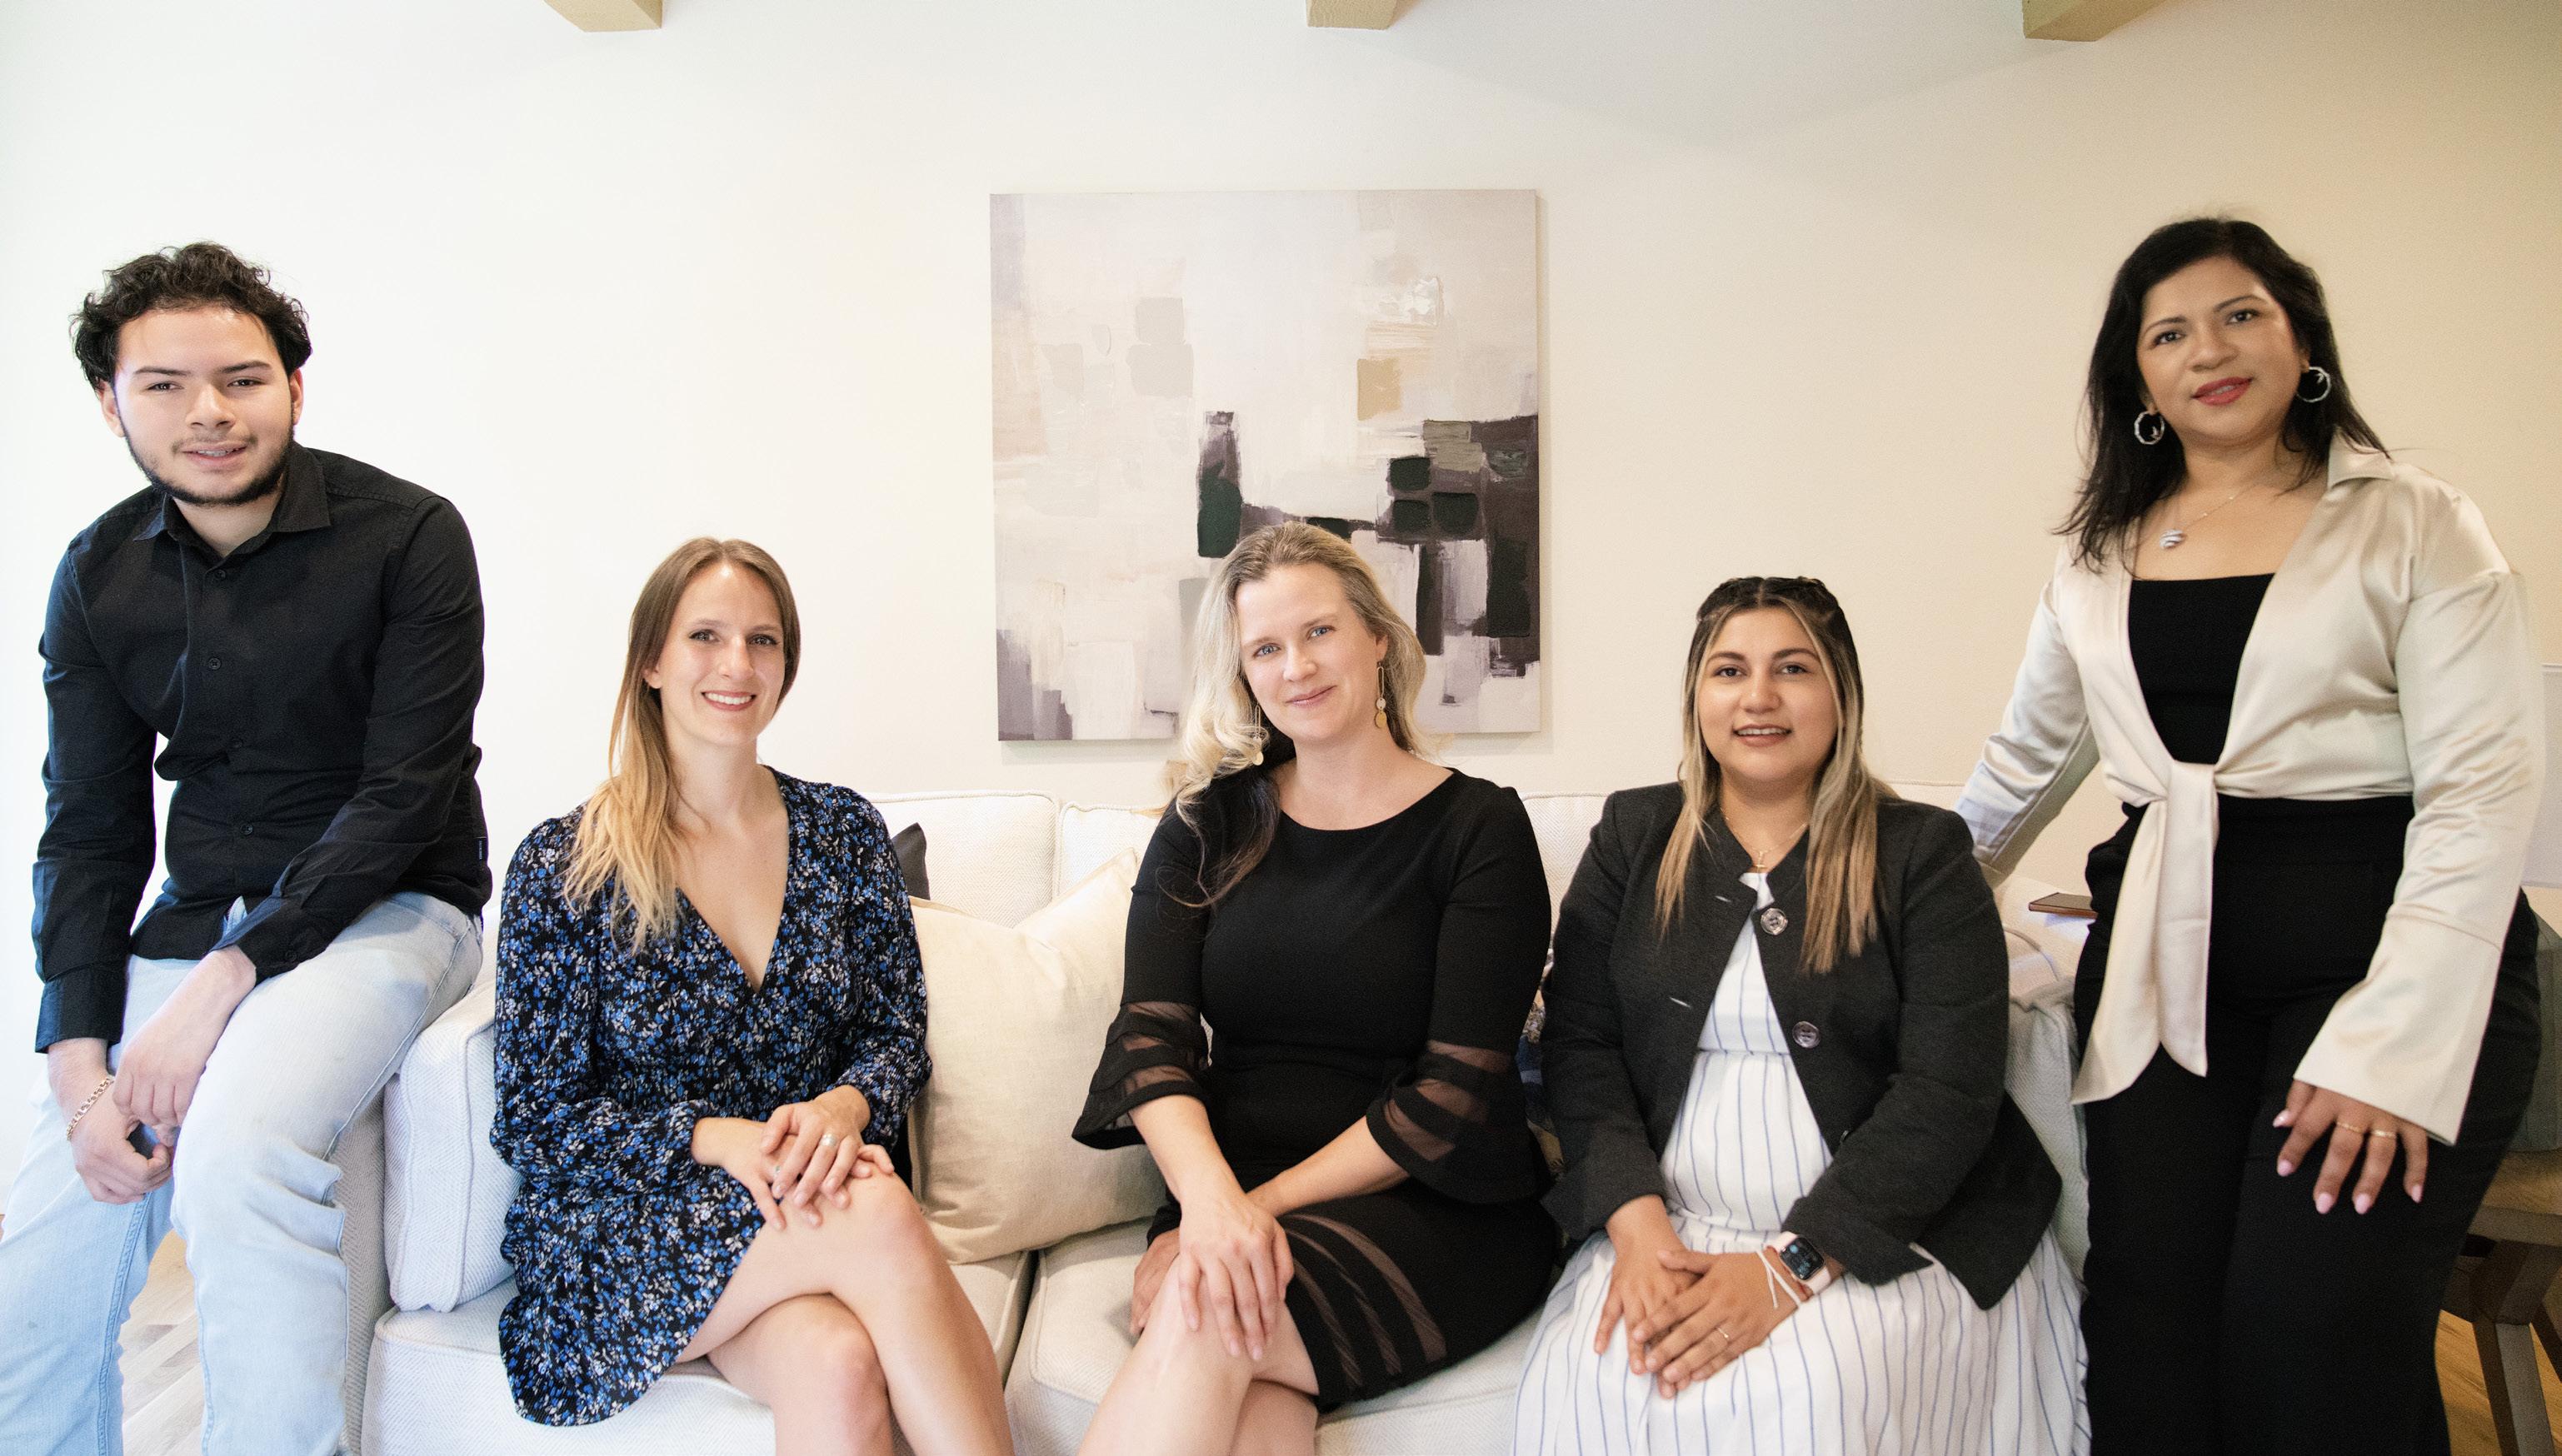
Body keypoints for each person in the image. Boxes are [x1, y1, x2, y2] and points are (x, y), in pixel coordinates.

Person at [1958, 217, 2543, 1454]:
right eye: (2168, 333)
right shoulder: (2094, 553)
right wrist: (1874, 900)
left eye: (2240, 316)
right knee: (2148, 1334)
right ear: (2136, 378)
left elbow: (2480, 795)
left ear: (2301, 340)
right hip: (2160, 976)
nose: (2208, 351)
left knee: (2312, 1340)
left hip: (2382, 965)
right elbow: (2019, 770)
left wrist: (2390, 1047)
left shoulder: (2417, 523)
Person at [0, 242, 490, 1456]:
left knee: (236, 1152)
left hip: (390, 909)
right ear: (110, 403)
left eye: (241, 379)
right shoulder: (97, 573)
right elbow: (88, 826)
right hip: (196, 910)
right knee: (45, 1231)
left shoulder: (408, 535)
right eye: (164, 385)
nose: (208, 412)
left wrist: (227, 980)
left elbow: (402, 797)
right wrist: (78, 1058)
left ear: (294, 387)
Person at [1516, 576, 2085, 1454]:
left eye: (1793, 668)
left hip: (1892, 1231)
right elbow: (1580, 1043)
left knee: (1807, 1396)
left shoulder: (1923, 853)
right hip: (1669, 1223)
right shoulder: (1634, 835)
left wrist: (1790, 1268)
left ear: (1841, 694)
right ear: (1696, 697)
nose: (1759, 697)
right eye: (1729, 670)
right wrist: (1635, 1225)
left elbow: (1948, 1091)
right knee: (1606, 1378)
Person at [488, 538, 1007, 1455]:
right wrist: (714, 1137)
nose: (737, 664)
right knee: (877, 1209)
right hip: (629, 1226)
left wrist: (846, 1107)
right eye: (706, 636)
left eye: (762, 641)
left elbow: (895, 1034)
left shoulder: (843, 831)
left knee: (837, 1362)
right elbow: (535, 1117)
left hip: (790, 1204)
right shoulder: (568, 863)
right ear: (651, 661)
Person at [1070, 521, 1557, 1456]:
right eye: (1265, 648)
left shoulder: (1480, 829)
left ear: (1377, 637)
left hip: (1432, 1203)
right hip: (1230, 1184)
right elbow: (1150, 1038)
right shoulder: (1206, 825)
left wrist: (1241, 1218)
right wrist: (1210, 1200)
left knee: (1206, 1306)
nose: (1296, 666)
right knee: (1252, 1401)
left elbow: (1452, 1094)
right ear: (1243, 672)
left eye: (1320, 631)